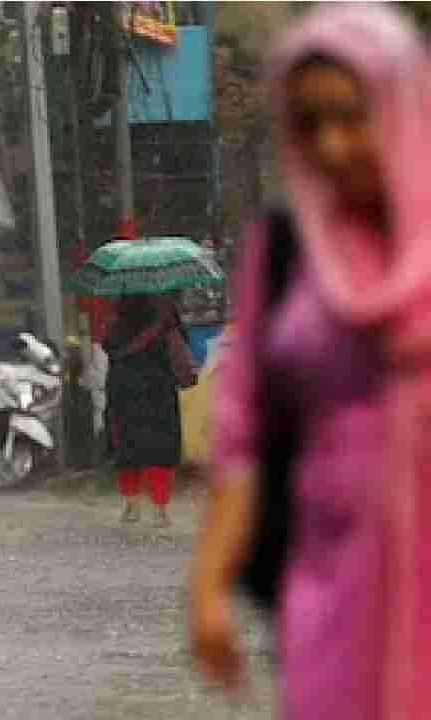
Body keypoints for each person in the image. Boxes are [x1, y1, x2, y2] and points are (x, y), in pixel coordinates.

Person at [190, 7, 431, 718]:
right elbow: (242, 434)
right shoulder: (287, 250)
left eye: (351, 116)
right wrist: (208, 588)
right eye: (309, 122)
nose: (331, 144)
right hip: (328, 588)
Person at [104, 294, 188, 528]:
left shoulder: (117, 314)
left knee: (127, 444)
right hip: (158, 387)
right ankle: (160, 511)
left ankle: (131, 506)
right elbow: (181, 344)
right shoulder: (165, 311)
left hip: (124, 386)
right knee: (159, 446)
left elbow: (107, 345)